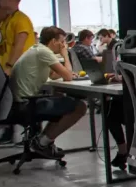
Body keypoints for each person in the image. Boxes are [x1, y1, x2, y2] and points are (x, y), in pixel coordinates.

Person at [11, 26, 88, 158]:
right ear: (53, 41)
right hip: (27, 104)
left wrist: (65, 72)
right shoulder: (44, 52)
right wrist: (65, 55)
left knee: (60, 99)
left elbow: (53, 75)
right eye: (62, 42)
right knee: (80, 106)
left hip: (21, 102)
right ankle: (43, 142)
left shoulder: (37, 50)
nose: (64, 45)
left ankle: (42, 141)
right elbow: (68, 76)